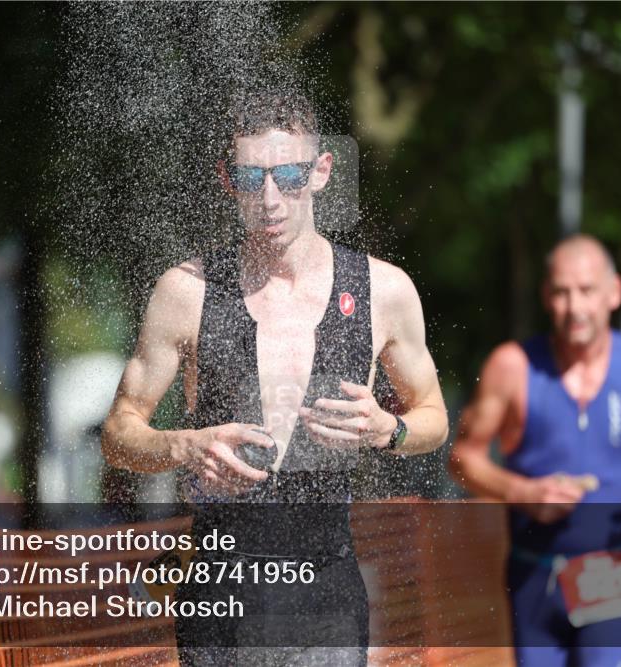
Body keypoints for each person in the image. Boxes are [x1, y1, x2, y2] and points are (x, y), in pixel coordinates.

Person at [101, 88, 449, 665]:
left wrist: (389, 429)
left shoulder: (383, 290)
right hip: (219, 600)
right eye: (250, 177)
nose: (269, 199)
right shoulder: (186, 293)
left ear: (321, 172)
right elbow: (118, 435)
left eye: (288, 175)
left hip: (328, 601)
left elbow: (434, 418)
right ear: (225, 178)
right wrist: (185, 445)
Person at [449, 234, 621, 667]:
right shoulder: (511, 367)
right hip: (534, 575)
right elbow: (462, 458)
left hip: (616, 572)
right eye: (562, 292)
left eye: (586, 291)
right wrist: (523, 491)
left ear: (614, 292)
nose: (575, 308)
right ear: (546, 296)